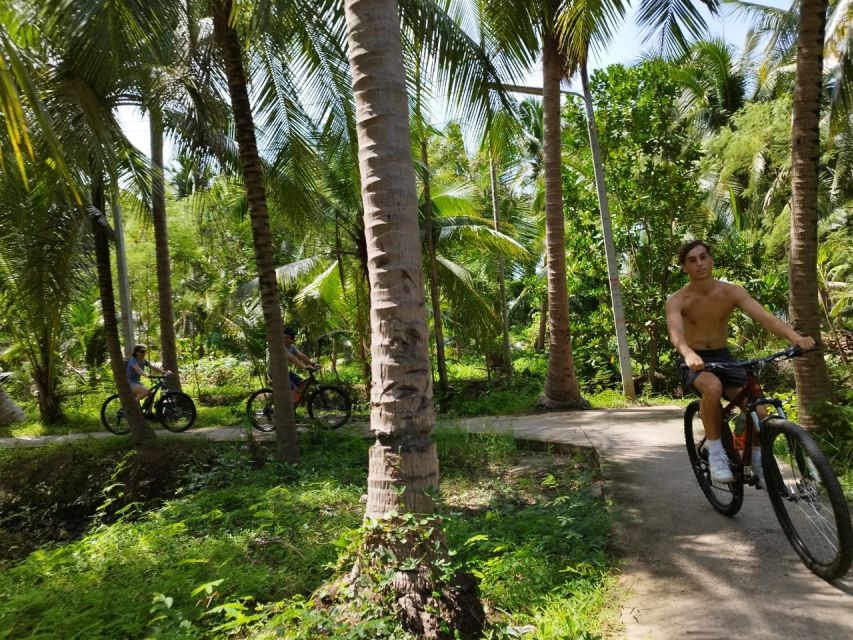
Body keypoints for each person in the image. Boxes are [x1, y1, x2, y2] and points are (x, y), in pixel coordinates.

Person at [665, 240, 815, 485]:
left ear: (711, 259)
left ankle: (755, 458)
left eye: (703, 257)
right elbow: (676, 333)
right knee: (712, 387)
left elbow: (766, 318)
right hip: (693, 359)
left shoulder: (731, 292)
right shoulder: (677, 299)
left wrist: (796, 338)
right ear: (684, 267)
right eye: (692, 260)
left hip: (723, 357)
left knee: (760, 411)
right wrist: (688, 353)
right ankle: (716, 452)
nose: (700, 264)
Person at [282, 326, 319, 393]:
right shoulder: (280, 347)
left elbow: (302, 356)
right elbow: (291, 358)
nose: (294, 339)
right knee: (294, 389)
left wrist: (313, 364)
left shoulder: (291, 346)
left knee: (302, 383)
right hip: (275, 373)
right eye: (292, 337)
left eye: (294, 337)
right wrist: (304, 367)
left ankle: (298, 399)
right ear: (285, 337)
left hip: (285, 372)